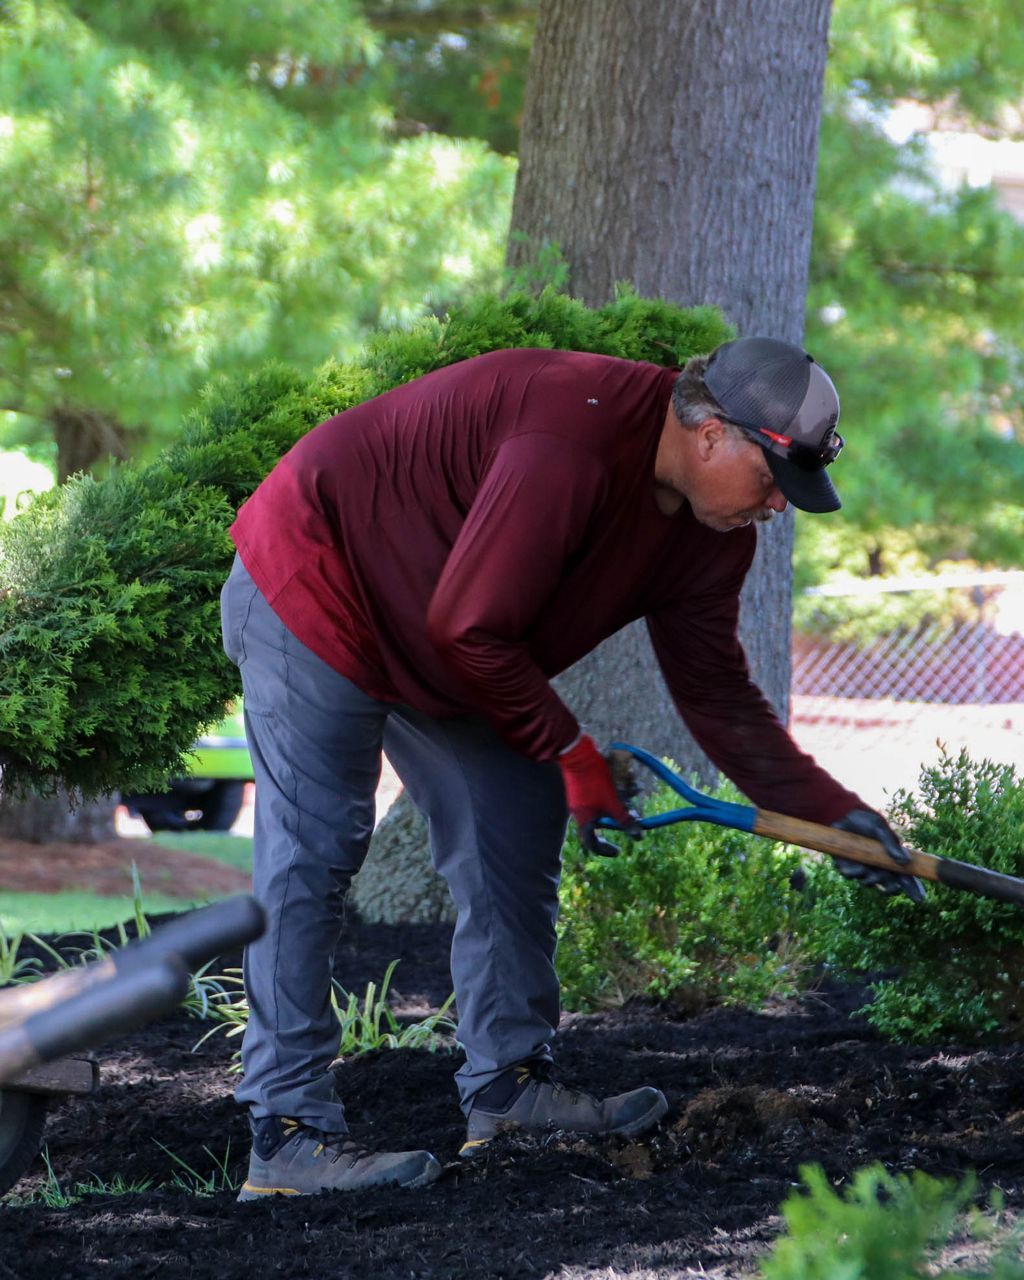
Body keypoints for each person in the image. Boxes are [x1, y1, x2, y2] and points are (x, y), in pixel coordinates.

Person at [221, 336, 921, 1200]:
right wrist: (569, 750)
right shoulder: (570, 444)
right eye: (773, 480)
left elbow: (718, 696)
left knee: (513, 817)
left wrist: (829, 815)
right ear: (710, 435)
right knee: (314, 850)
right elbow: (471, 628)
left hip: (441, 621)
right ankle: (286, 1138)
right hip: (320, 576)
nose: (778, 507)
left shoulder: (715, 533)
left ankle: (508, 1091)